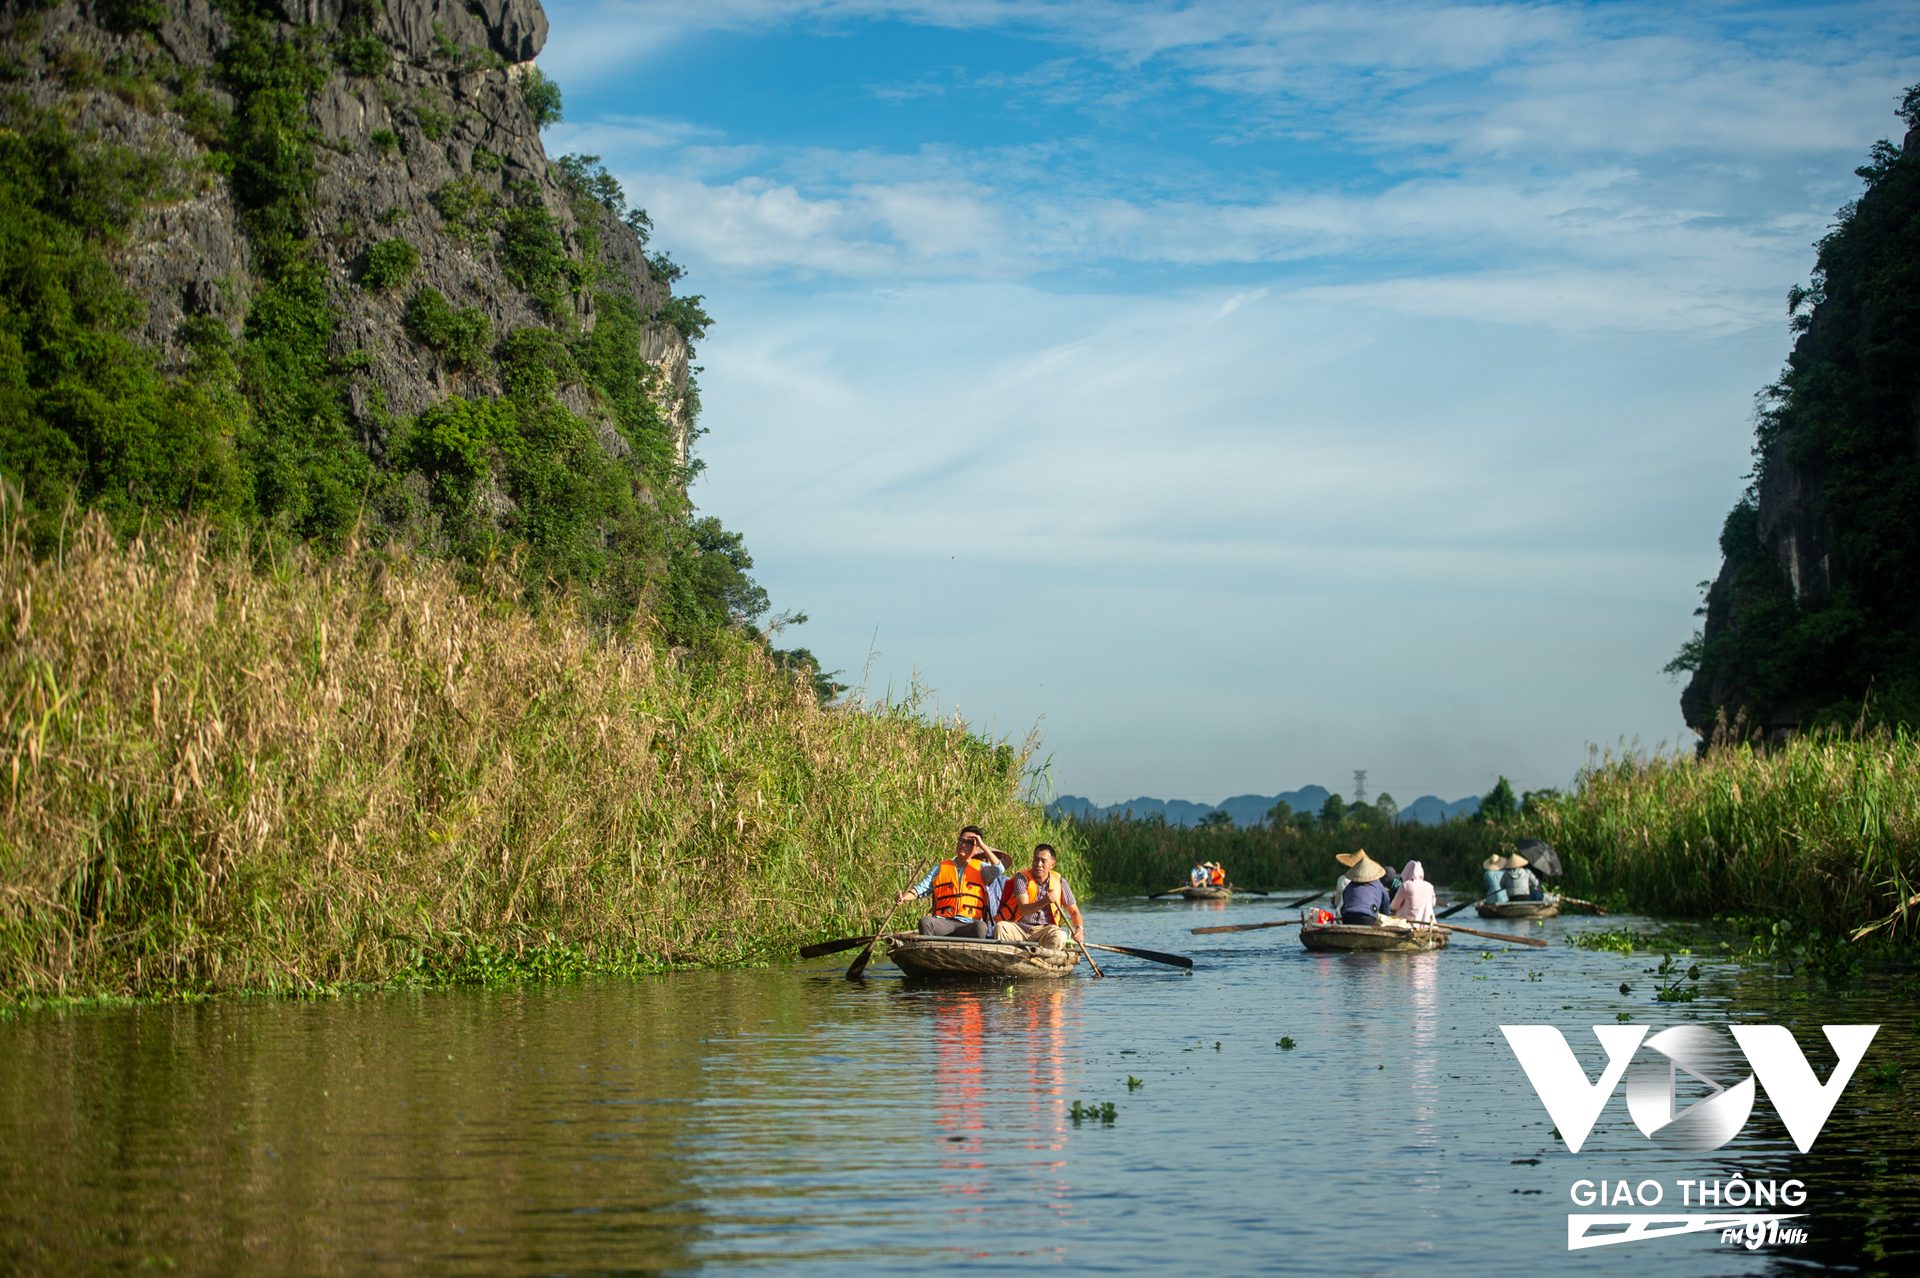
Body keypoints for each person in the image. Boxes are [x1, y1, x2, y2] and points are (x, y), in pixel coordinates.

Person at [897, 825, 1009, 938]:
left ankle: (972, 953)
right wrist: (904, 897)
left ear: (976, 849)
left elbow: (999, 869)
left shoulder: (981, 868)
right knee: (925, 922)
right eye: (961, 840)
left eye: (969, 843)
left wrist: (982, 845)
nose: (963, 845)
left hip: (969, 923)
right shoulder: (941, 867)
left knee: (981, 926)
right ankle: (932, 952)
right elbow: (921, 888)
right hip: (944, 921)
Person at [994, 843, 1085, 951]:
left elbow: (1074, 911)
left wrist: (1079, 929)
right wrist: (1044, 901)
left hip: (1045, 931)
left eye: (1043, 861)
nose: (1038, 864)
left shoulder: (1060, 882)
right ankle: (1008, 959)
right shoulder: (1022, 879)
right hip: (1021, 928)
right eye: (1036, 860)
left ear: (1052, 864)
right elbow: (1024, 909)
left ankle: (1044, 961)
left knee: (1061, 936)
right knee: (1001, 927)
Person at [1334, 850, 1391, 924]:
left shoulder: (1349, 885)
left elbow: (1343, 903)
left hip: (1347, 918)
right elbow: (1386, 909)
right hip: (1368, 919)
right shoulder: (1379, 885)